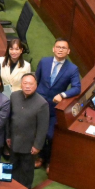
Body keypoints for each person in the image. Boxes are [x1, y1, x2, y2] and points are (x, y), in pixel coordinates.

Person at [34, 38, 81, 169]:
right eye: (58, 47)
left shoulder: (72, 69)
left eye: (63, 48)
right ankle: (40, 156)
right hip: (38, 104)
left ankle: (48, 160)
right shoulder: (44, 62)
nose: (60, 50)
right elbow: (35, 80)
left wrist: (62, 94)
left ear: (68, 51)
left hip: (54, 108)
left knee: (50, 135)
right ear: (53, 49)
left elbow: (77, 87)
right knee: (38, 132)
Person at [7, 73, 49, 188]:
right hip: (14, 141)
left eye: (31, 84)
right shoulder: (14, 96)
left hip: (29, 145)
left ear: (36, 85)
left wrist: (37, 146)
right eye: (25, 83)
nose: (27, 86)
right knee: (13, 165)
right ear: (21, 84)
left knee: (26, 170)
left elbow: (43, 127)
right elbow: (9, 118)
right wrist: (8, 136)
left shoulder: (42, 103)